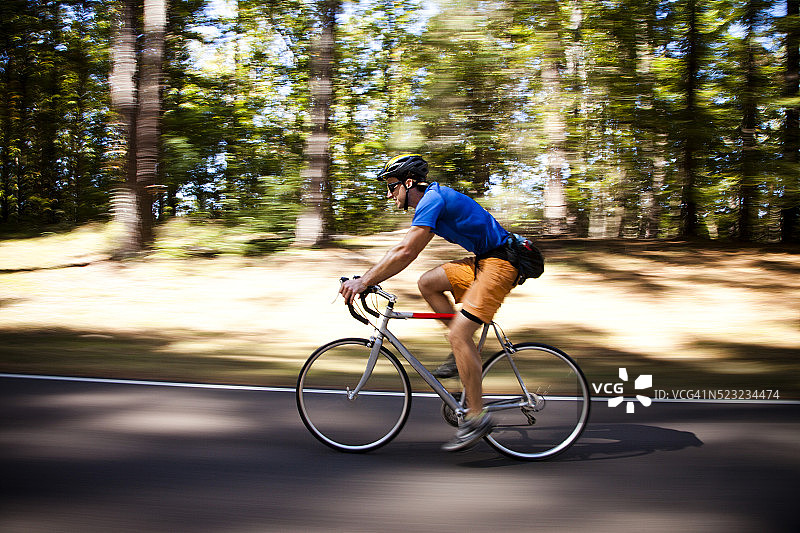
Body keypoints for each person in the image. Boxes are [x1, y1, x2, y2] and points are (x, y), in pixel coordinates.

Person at [339, 154, 520, 452]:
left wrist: (365, 281)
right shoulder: (432, 199)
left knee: (458, 333)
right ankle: (464, 352)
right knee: (428, 283)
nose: (389, 194)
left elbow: (406, 252)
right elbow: (400, 249)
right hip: (485, 261)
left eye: (392, 187)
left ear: (409, 182)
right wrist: (367, 277)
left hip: (501, 264)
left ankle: (477, 416)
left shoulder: (432, 199)